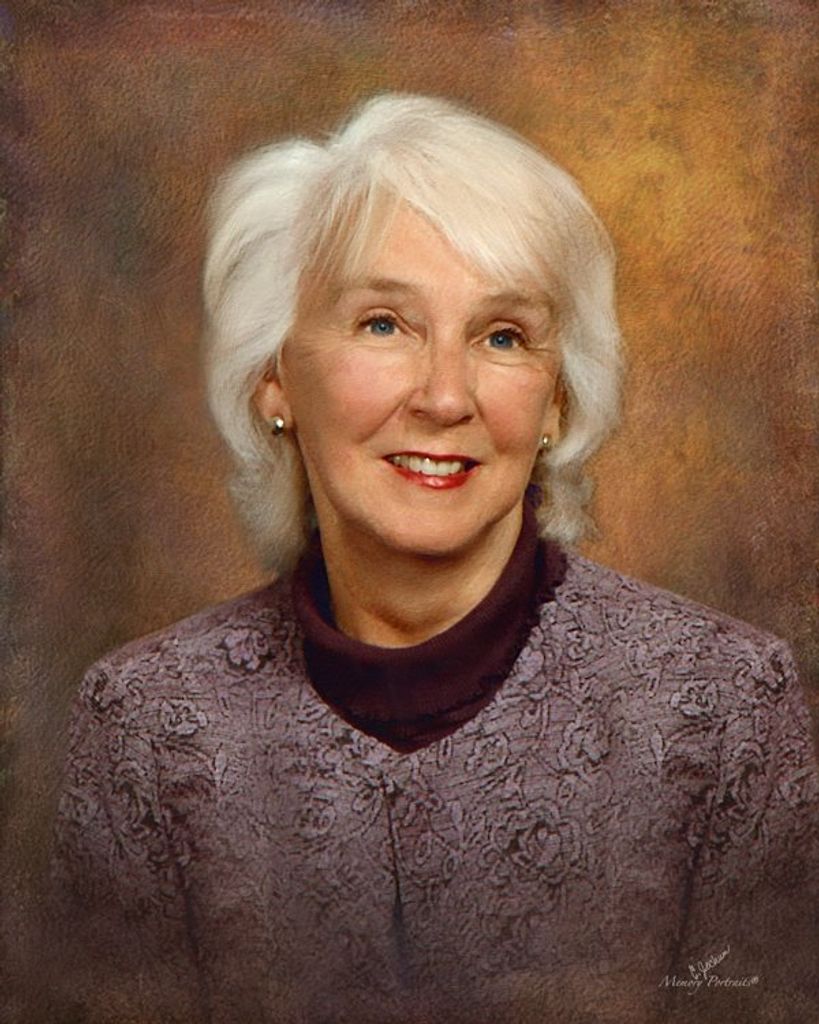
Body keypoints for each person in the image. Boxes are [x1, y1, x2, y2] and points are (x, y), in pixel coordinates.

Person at [47, 94, 819, 1024]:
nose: (445, 397)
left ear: (557, 402)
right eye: (383, 323)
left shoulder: (724, 707)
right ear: (273, 376)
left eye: (502, 337)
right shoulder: (143, 724)